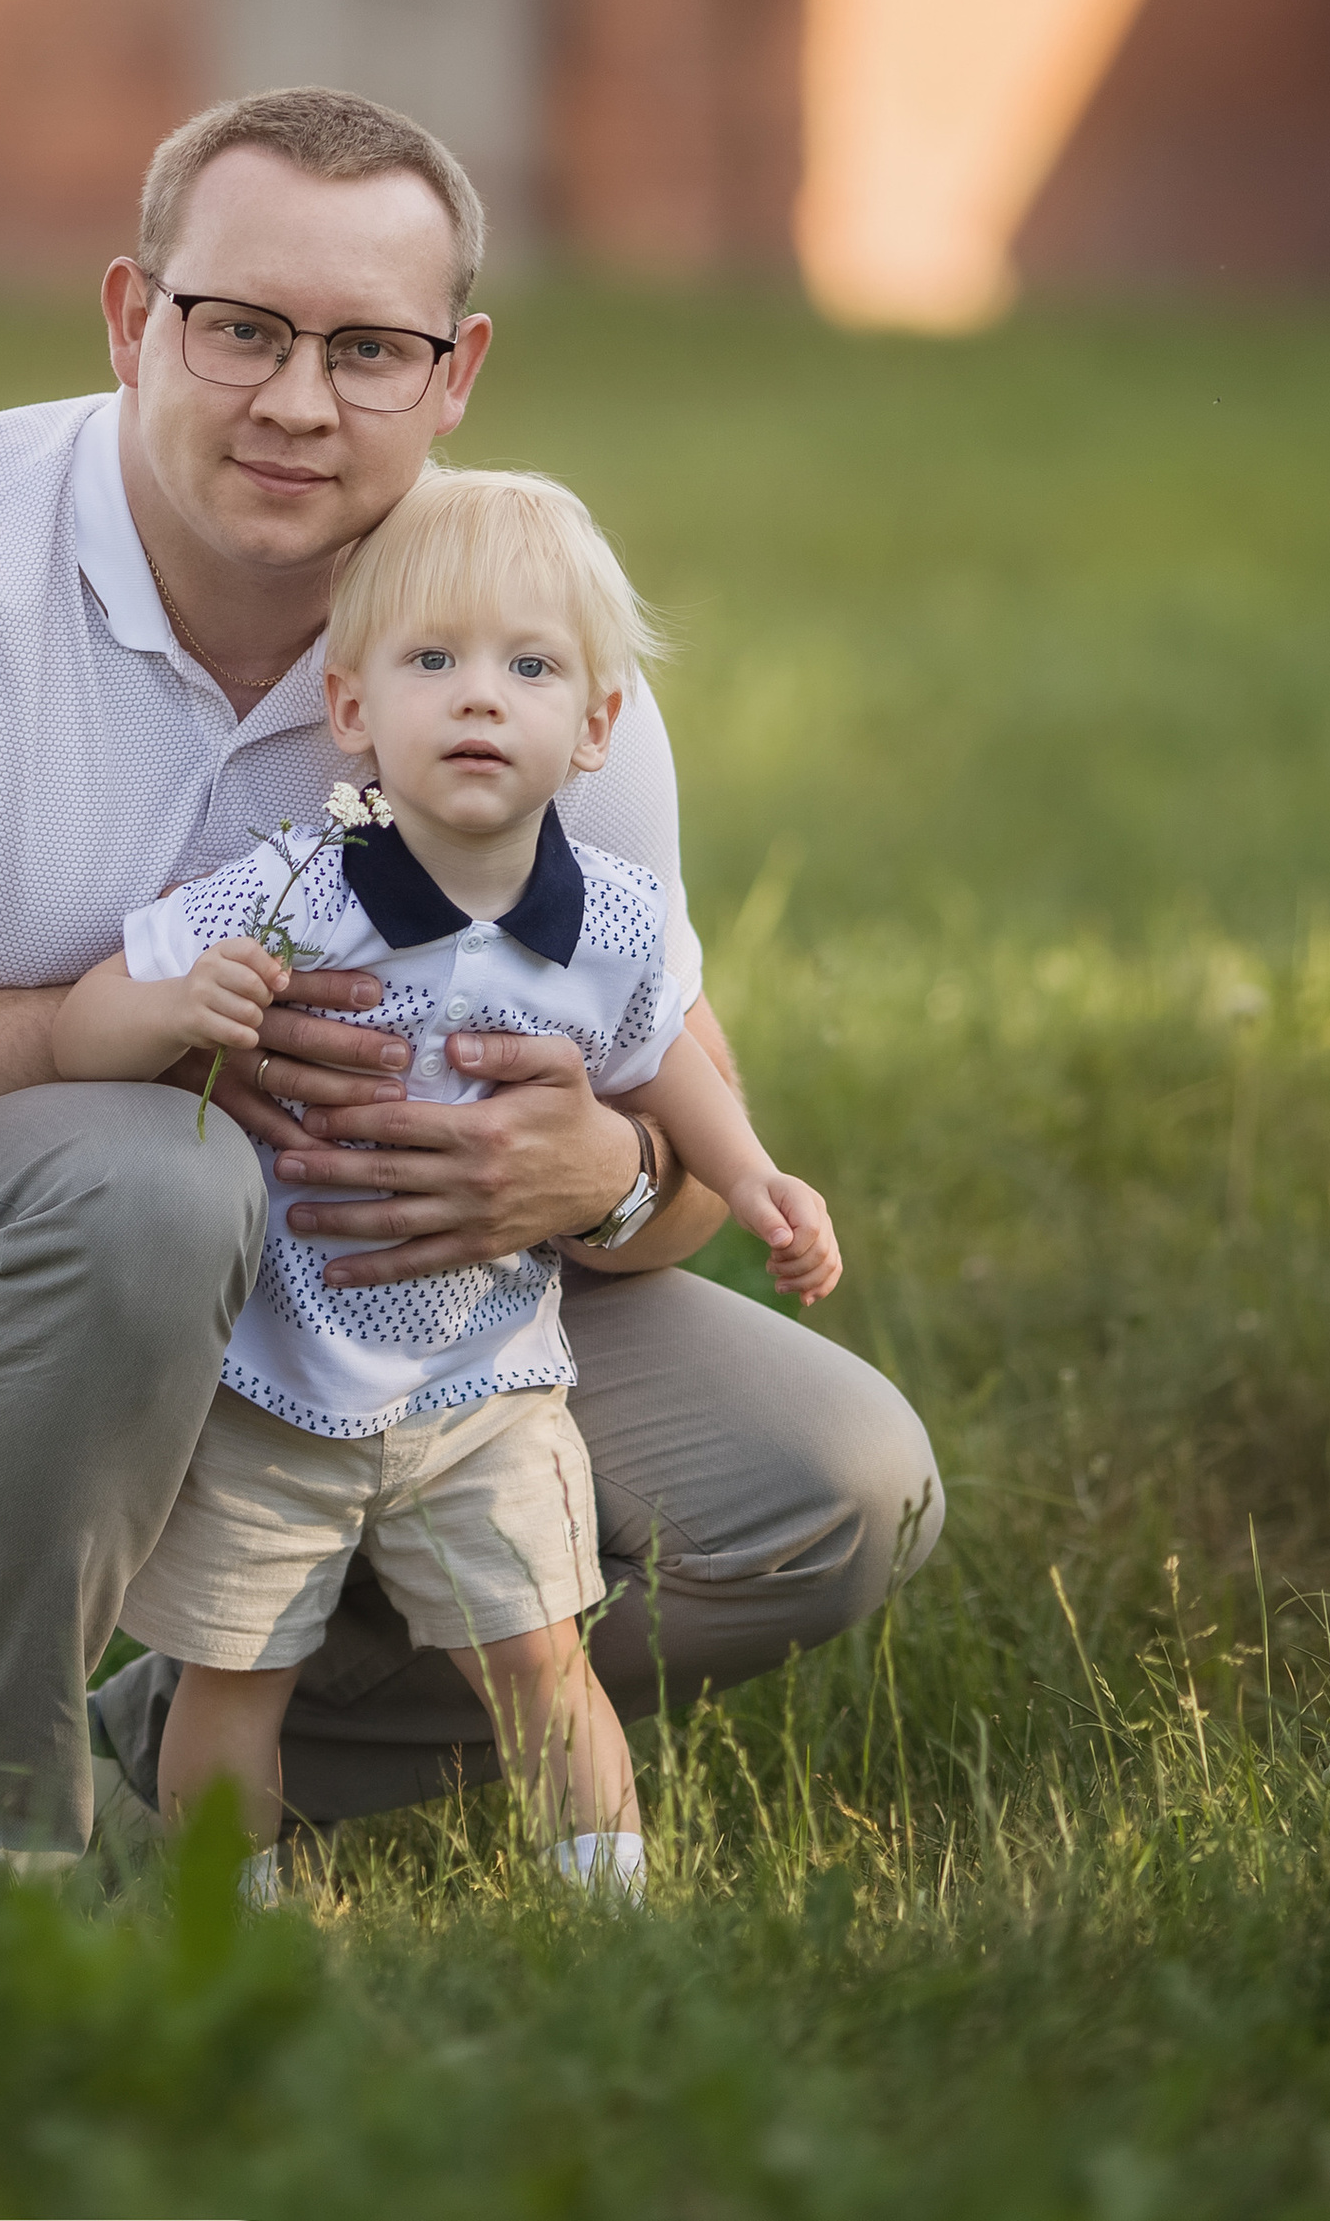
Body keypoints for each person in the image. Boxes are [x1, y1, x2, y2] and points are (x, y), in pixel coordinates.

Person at [0, 84, 939, 1855]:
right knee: (151, 1178)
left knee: (832, 1490)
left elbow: (666, 1101)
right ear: (133, 319)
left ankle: (178, 1771)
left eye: (368, 346)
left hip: (375, 1309)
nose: (296, 398)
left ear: (457, 373)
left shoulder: (517, 656)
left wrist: (614, 1181)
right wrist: (70, 1037)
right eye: (241, 327)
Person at [57, 465, 842, 1901]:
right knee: (235, 1679)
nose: (481, 698)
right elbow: (91, 1011)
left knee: (544, 1664)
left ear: (596, 724)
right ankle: (223, 1915)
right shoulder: (302, 882)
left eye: (530, 666)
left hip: (491, 1390)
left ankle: (606, 1907)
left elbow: (667, 1059)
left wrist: (759, 1177)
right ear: (352, 709)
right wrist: (179, 1009)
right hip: (274, 1385)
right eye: (434, 660)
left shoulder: (612, 915)